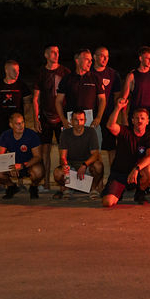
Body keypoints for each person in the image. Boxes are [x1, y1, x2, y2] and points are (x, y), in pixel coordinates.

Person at [52, 48, 105, 192]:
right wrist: (62, 119)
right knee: (65, 155)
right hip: (71, 121)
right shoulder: (67, 79)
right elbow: (58, 101)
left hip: (90, 121)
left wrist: (99, 117)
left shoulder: (94, 78)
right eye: (87, 59)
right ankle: (66, 188)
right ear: (77, 60)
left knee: (96, 156)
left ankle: (97, 189)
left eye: (90, 60)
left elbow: (102, 100)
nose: (90, 62)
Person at [32, 45, 70, 193]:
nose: (56, 54)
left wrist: (68, 118)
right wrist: (36, 118)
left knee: (64, 153)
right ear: (46, 55)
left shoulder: (65, 72)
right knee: (44, 152)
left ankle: (65, 185)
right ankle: (46, 183)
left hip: (61, 118)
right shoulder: (41, 72)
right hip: (45, 117)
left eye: (58, 52)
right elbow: (36, 98)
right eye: (53, 52)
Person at [103, 106, 150, 206]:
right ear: (132, 120)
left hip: (137, 174)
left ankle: (140, 192)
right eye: (137, 118)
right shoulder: (124, 131)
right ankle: (120, 190)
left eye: (142, 118)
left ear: (147, 121)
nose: (139, 121)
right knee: (108, 202)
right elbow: (110, 126)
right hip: (120, 173)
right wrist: (118, 108)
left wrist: (136, 169)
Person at [52, 109, 103, 200]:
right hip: (71, 165)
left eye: (81, 120)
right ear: (71, 121)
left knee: (98, 166)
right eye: (76, 120)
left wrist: (84, 165)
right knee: (58, 173)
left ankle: (93, 189)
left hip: (87, 165)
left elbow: (95, 154)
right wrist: (65, 165)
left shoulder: (91, 132)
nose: (79, 123)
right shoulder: (65, 133)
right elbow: (63, 156)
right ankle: (68, 188)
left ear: (85, 121)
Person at [0, 112, 45, 200]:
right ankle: (11, 187)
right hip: (12, 165)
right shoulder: (5, 135)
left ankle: (33, 187)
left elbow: (38, 157)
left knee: (38, 171)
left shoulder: (31, 135)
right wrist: (10, 167)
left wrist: (22, 165)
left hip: (28, 165)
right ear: (11, 125)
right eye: (17, 123)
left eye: (22, 122)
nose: (21, 126)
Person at [0, 60, 32, 145]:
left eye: (18, 70)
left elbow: (27, 104)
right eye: (14, 70)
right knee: (1, 148)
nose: (17, 73)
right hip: (1, 123)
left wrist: (19, 115)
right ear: (6, 70)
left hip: (17, 124)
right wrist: (2, 114)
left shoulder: (22, 86)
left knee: (18, 147)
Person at [92, 46, 123, 162]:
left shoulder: (113, 74)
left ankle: (112, 176)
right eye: (102, 56)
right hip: (92, 115)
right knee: (94, 147)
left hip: (108, 115)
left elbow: (117, 97)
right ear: (94, 57)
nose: (105, 59)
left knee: (111, 147)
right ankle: (97, 178)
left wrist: (116, 115)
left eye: (107, 56)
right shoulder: (88, 73)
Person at [120, 46, 150, 123]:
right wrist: (124, 117)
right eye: (147, 58)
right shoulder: (132, 76)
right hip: (136, 117)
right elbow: (124, 99)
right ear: (141, 58)